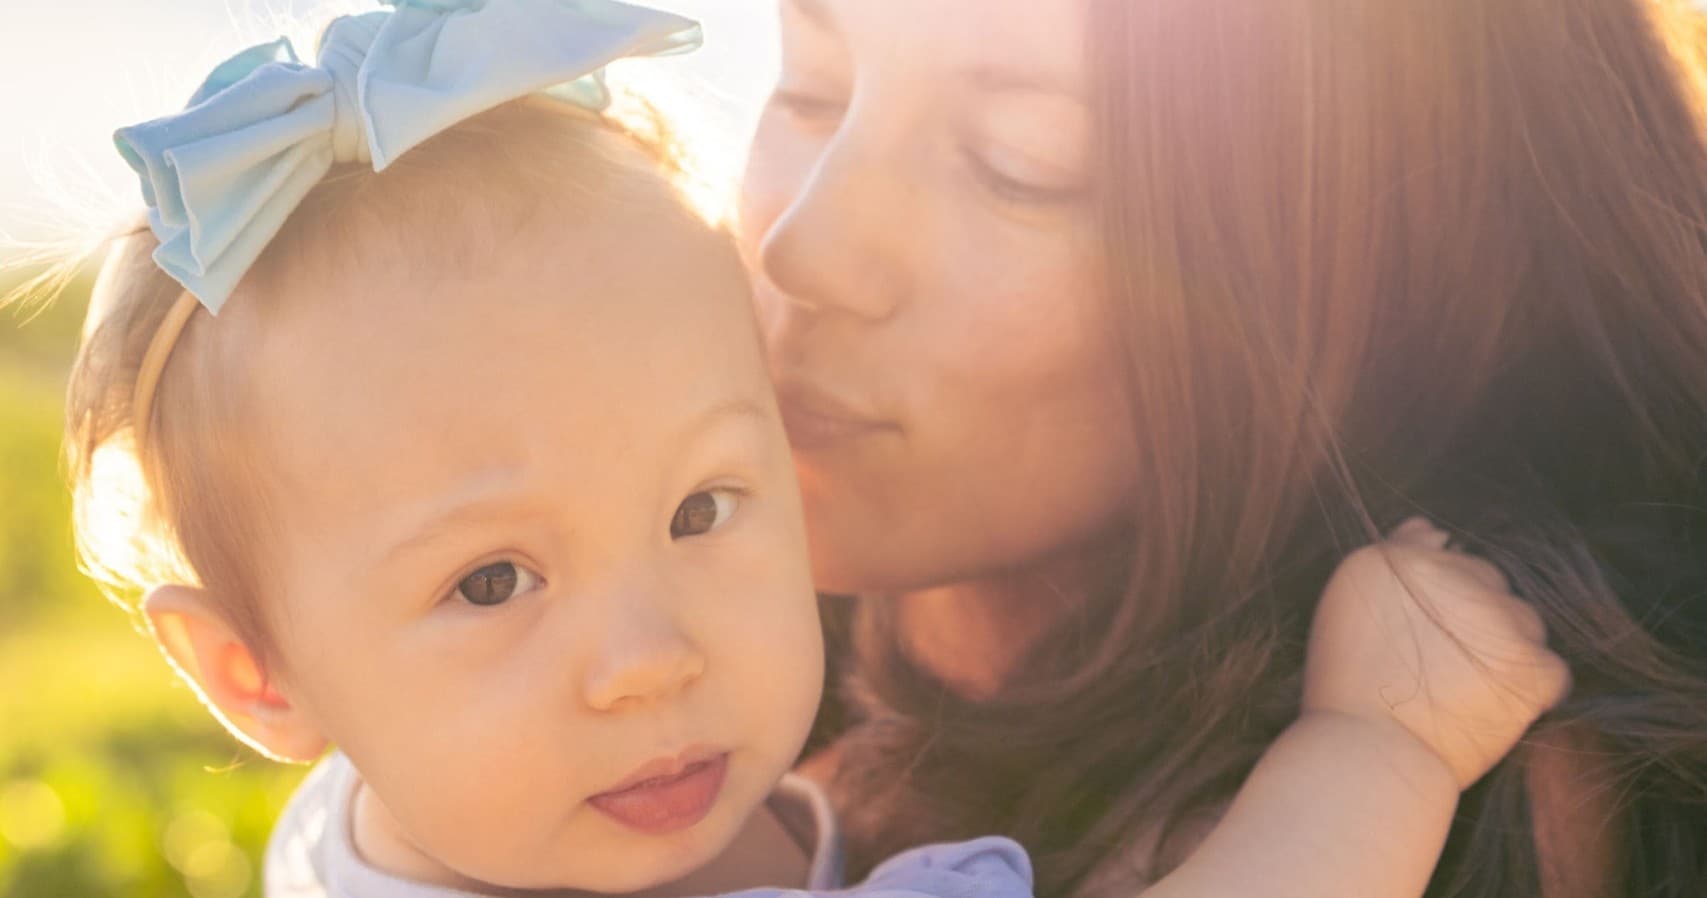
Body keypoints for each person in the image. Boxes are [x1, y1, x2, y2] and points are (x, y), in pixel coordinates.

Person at [31, 1, 1568, 897]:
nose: (646, 657)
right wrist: (1375, 750)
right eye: (493, 580)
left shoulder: (377, 826)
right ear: (252, 675)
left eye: (701, 503)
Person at [739, 0, 1707, 896]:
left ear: (1374, 265)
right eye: (812, 87)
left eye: (1021, 160)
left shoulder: (1463, 797)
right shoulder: (693, 652)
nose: (801, 244)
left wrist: (1363, 769)